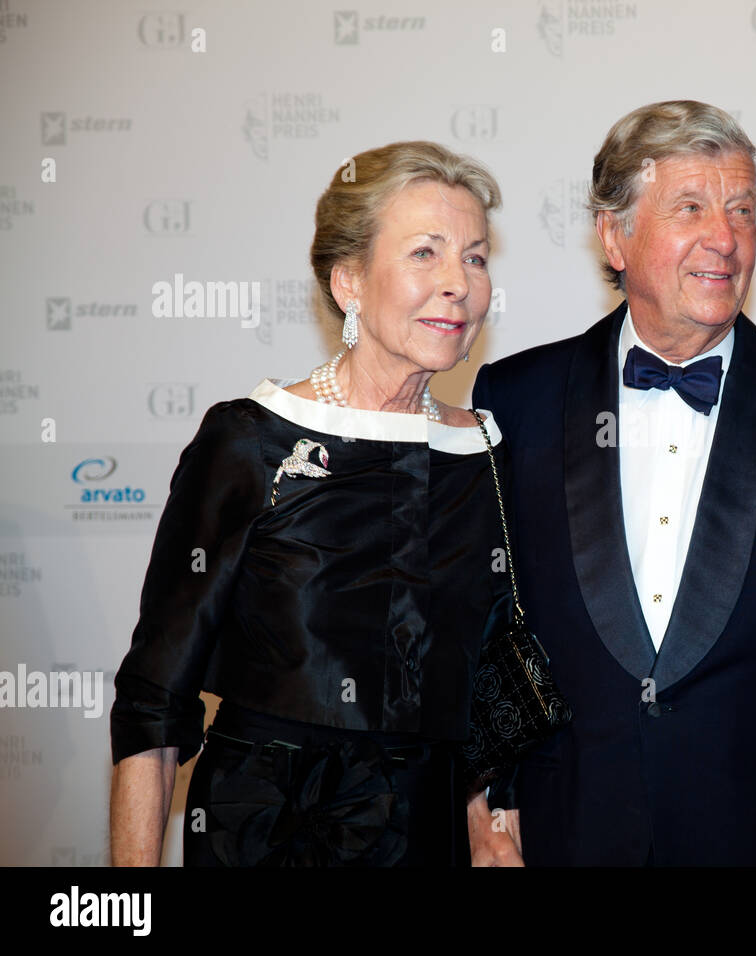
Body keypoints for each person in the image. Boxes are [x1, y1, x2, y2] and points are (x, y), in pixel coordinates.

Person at [470, 101, 756, 865]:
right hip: (562, 840)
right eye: (691, 208)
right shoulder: (514, 400)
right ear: (614, 236)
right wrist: (484, 807)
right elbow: (483, 631)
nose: (726, 238)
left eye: (742, 210)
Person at [109, 141, 522, 867]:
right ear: (348, 281)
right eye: (426, 253)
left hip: (428, 840)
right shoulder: (252, 441)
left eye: (476, 257)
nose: (458, 282)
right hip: (269, 835)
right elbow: (154, 702)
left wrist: (490, 836)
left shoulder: (483, 457)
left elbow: (486, 684)